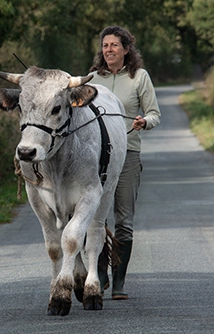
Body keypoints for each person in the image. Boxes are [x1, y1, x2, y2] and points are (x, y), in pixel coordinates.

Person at [89, 26, 161, 300]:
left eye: (114, 45)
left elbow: (154, 113)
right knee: (95, 217)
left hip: (128, 154)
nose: (108, 50)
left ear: (126, 49)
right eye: (105, 45)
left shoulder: (139, 77)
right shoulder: (93, 79)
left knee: (124, 220)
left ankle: (118, 280)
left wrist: (145, 121)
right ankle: (100, 273)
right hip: (95, 159)